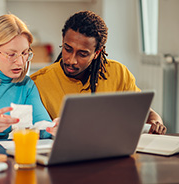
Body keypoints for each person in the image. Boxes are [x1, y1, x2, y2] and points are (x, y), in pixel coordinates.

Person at [30, 10, 167, 135]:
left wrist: (156, 122)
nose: (71, 60)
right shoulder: (39, 81)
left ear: (97, 53)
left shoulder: (118, 73)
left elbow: (146, 112)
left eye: (82, 54)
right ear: (63, 41)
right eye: (68, 49)